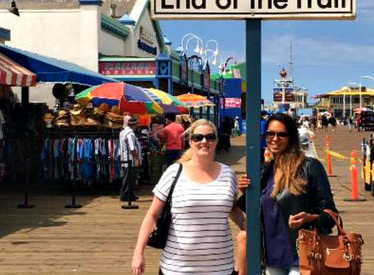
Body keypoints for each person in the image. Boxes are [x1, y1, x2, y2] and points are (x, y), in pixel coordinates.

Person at [132, 119, 245, 275]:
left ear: (216, 141)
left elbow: (232, 209)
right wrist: (138, 252)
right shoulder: (174, 172)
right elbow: (152, 214)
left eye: (210, 137)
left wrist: (248, 227)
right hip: (177, 267)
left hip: (220, 267)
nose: (204, 141)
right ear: (190, 142)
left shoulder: (229, 174)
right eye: (198, 137)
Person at [238, 113, 337, 275]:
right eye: (270, 133)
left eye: (281, 134)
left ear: (291, 137)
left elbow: (330, 213)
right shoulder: (265, 170)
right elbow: (256, 211)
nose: (274, 139)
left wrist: (309, 217)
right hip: (271, 258)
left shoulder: (309, 167)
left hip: (302, 258)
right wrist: (246, 192)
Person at [119, 115, 142, 201]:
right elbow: (132, 148)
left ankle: (129, 194)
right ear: (134, 125)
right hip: (130, 159)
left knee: (128, 177)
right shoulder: (130, 134)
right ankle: (125, 195)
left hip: (126, 158)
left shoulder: (123, 132)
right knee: (129, 178)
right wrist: (137, 159)